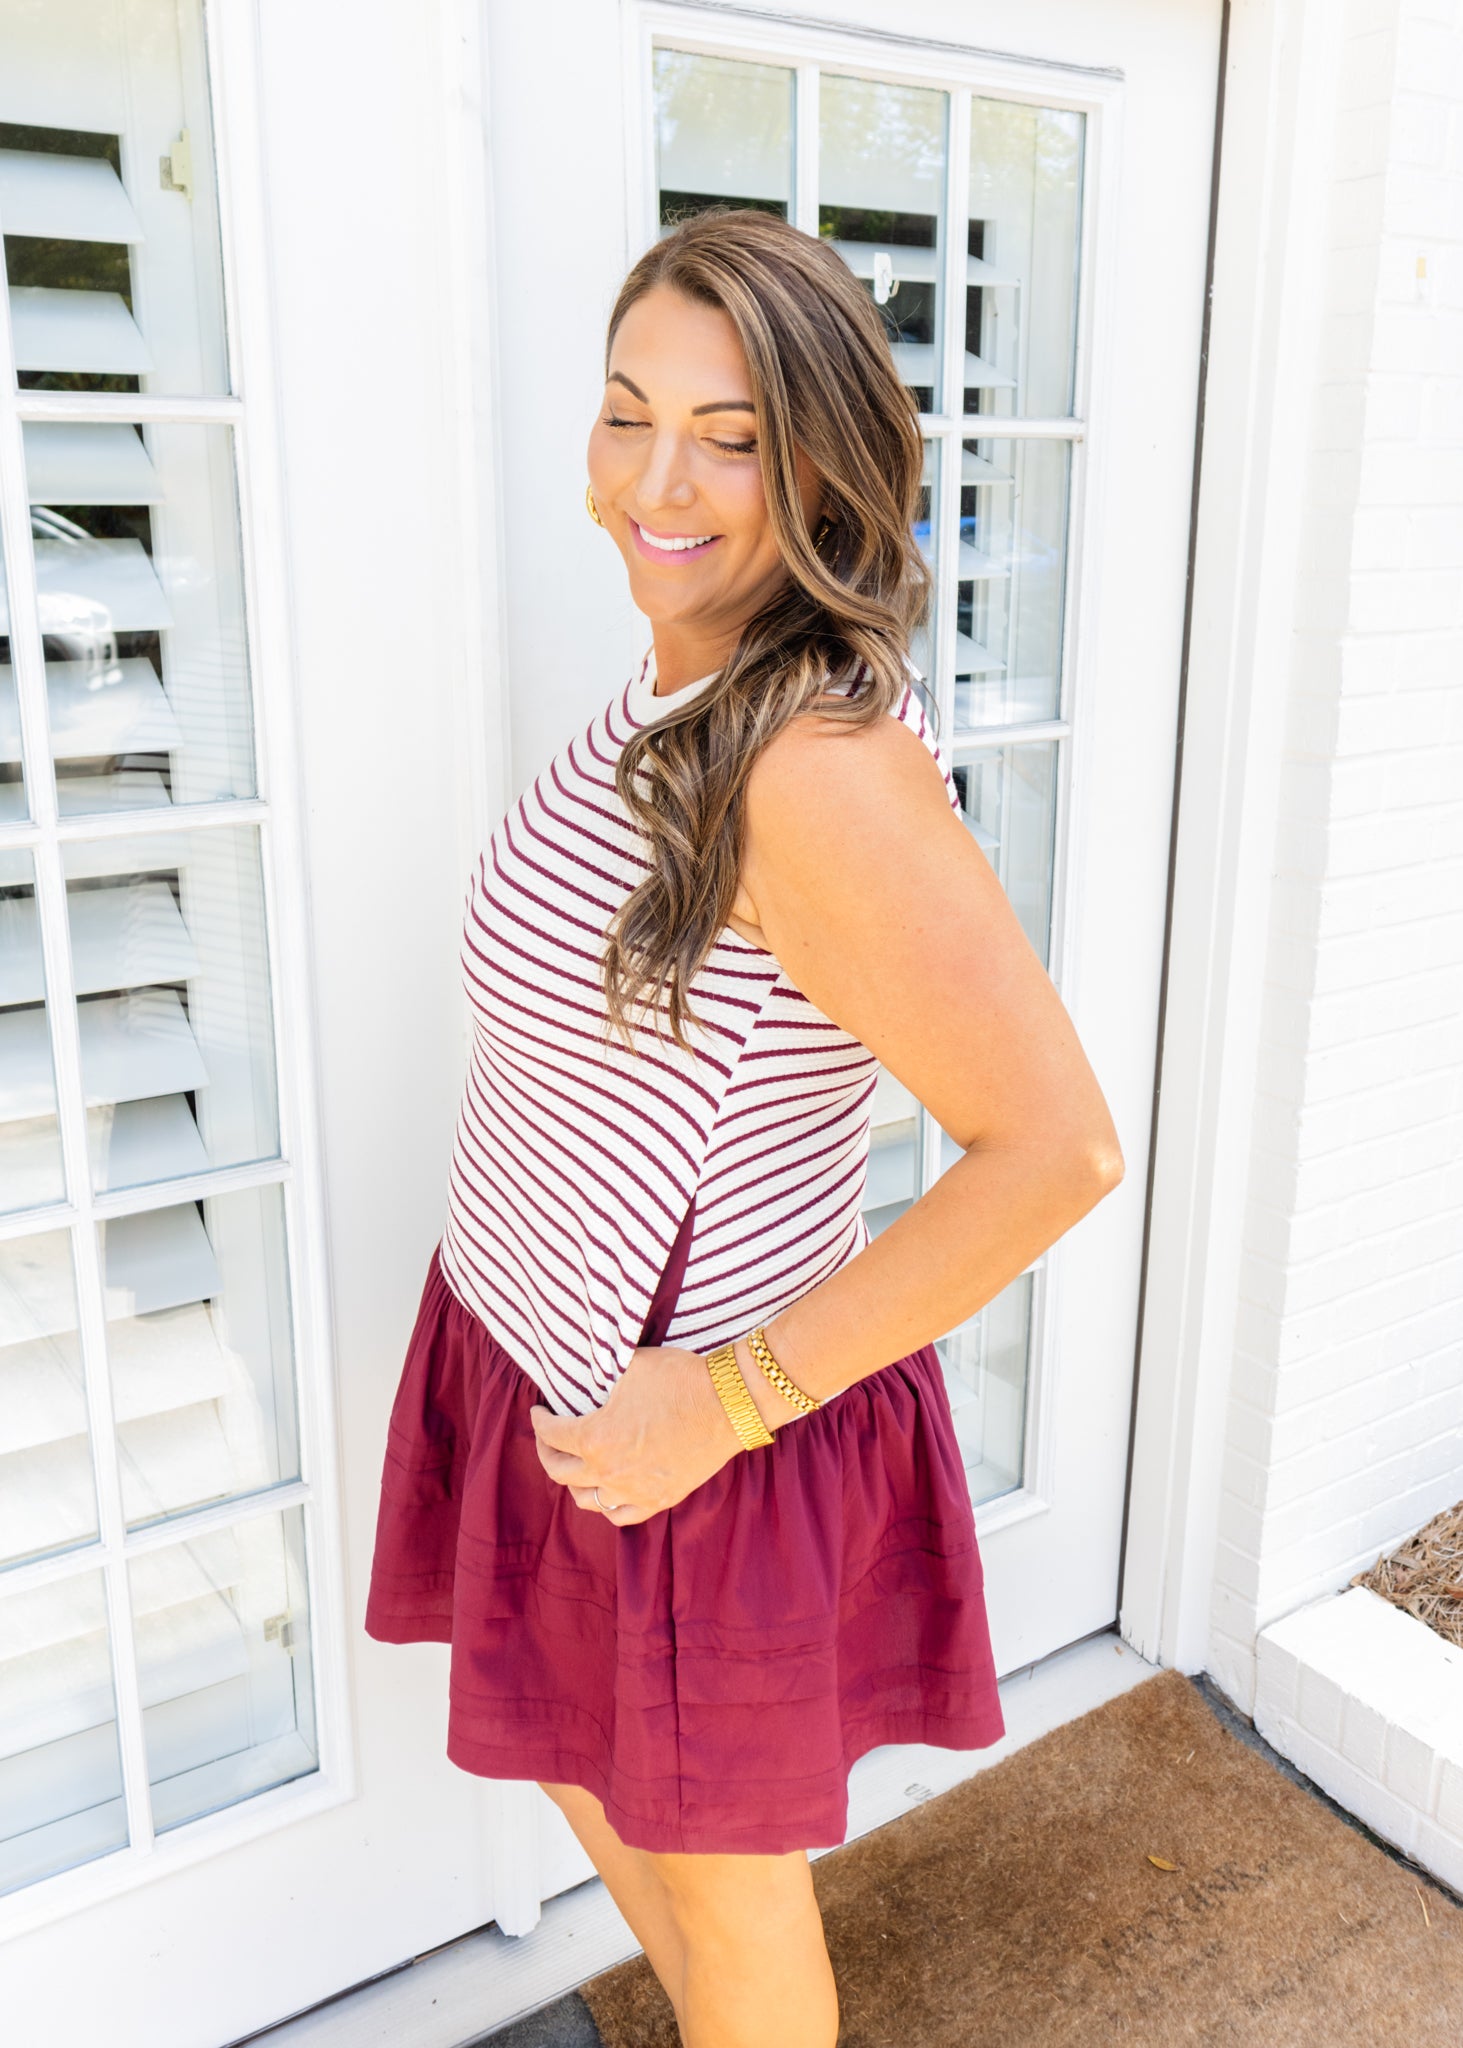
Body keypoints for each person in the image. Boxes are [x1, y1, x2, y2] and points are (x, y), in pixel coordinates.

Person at [366, 208, 1124, 2048]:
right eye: (628, 415)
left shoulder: (816, 770)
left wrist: (721, 1400)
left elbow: (1057, 1152)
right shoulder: (689, 673)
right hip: (541, 1355)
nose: (657, 479)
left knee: (738, 1930)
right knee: (608, 1815)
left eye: (732, 436)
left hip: (682, 1424)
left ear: (826, 460)